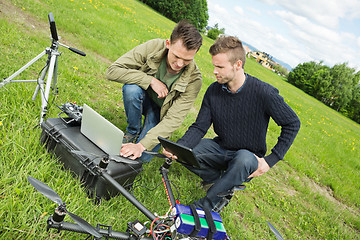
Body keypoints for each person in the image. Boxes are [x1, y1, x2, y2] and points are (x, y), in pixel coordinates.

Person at [163, 36, 301, 211]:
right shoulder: (214, 91)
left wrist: (270, 161)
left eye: (220, 67)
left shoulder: (264, 92)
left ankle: (205, 206)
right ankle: (222, 182)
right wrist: (178, 148)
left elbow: (292, 123)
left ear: (237, 65)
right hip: (221, 148)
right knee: (186, 152)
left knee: (243, 160)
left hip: (248, 156)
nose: (214, 71)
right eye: (214, 65)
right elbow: (199, 127)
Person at [106, 20, 203, 162]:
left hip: (161, 114)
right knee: (131, 89)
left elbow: (173, 119)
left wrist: (141, 146)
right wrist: (150, 81)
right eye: (176, 56)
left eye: (187, 60)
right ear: (168, 44)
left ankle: (140, 138)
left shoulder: (194, 80)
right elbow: (112, 71)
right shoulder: (154, 47)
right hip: (142, 96)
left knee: (142, 158)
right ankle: (132, 131)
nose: (180, 64)